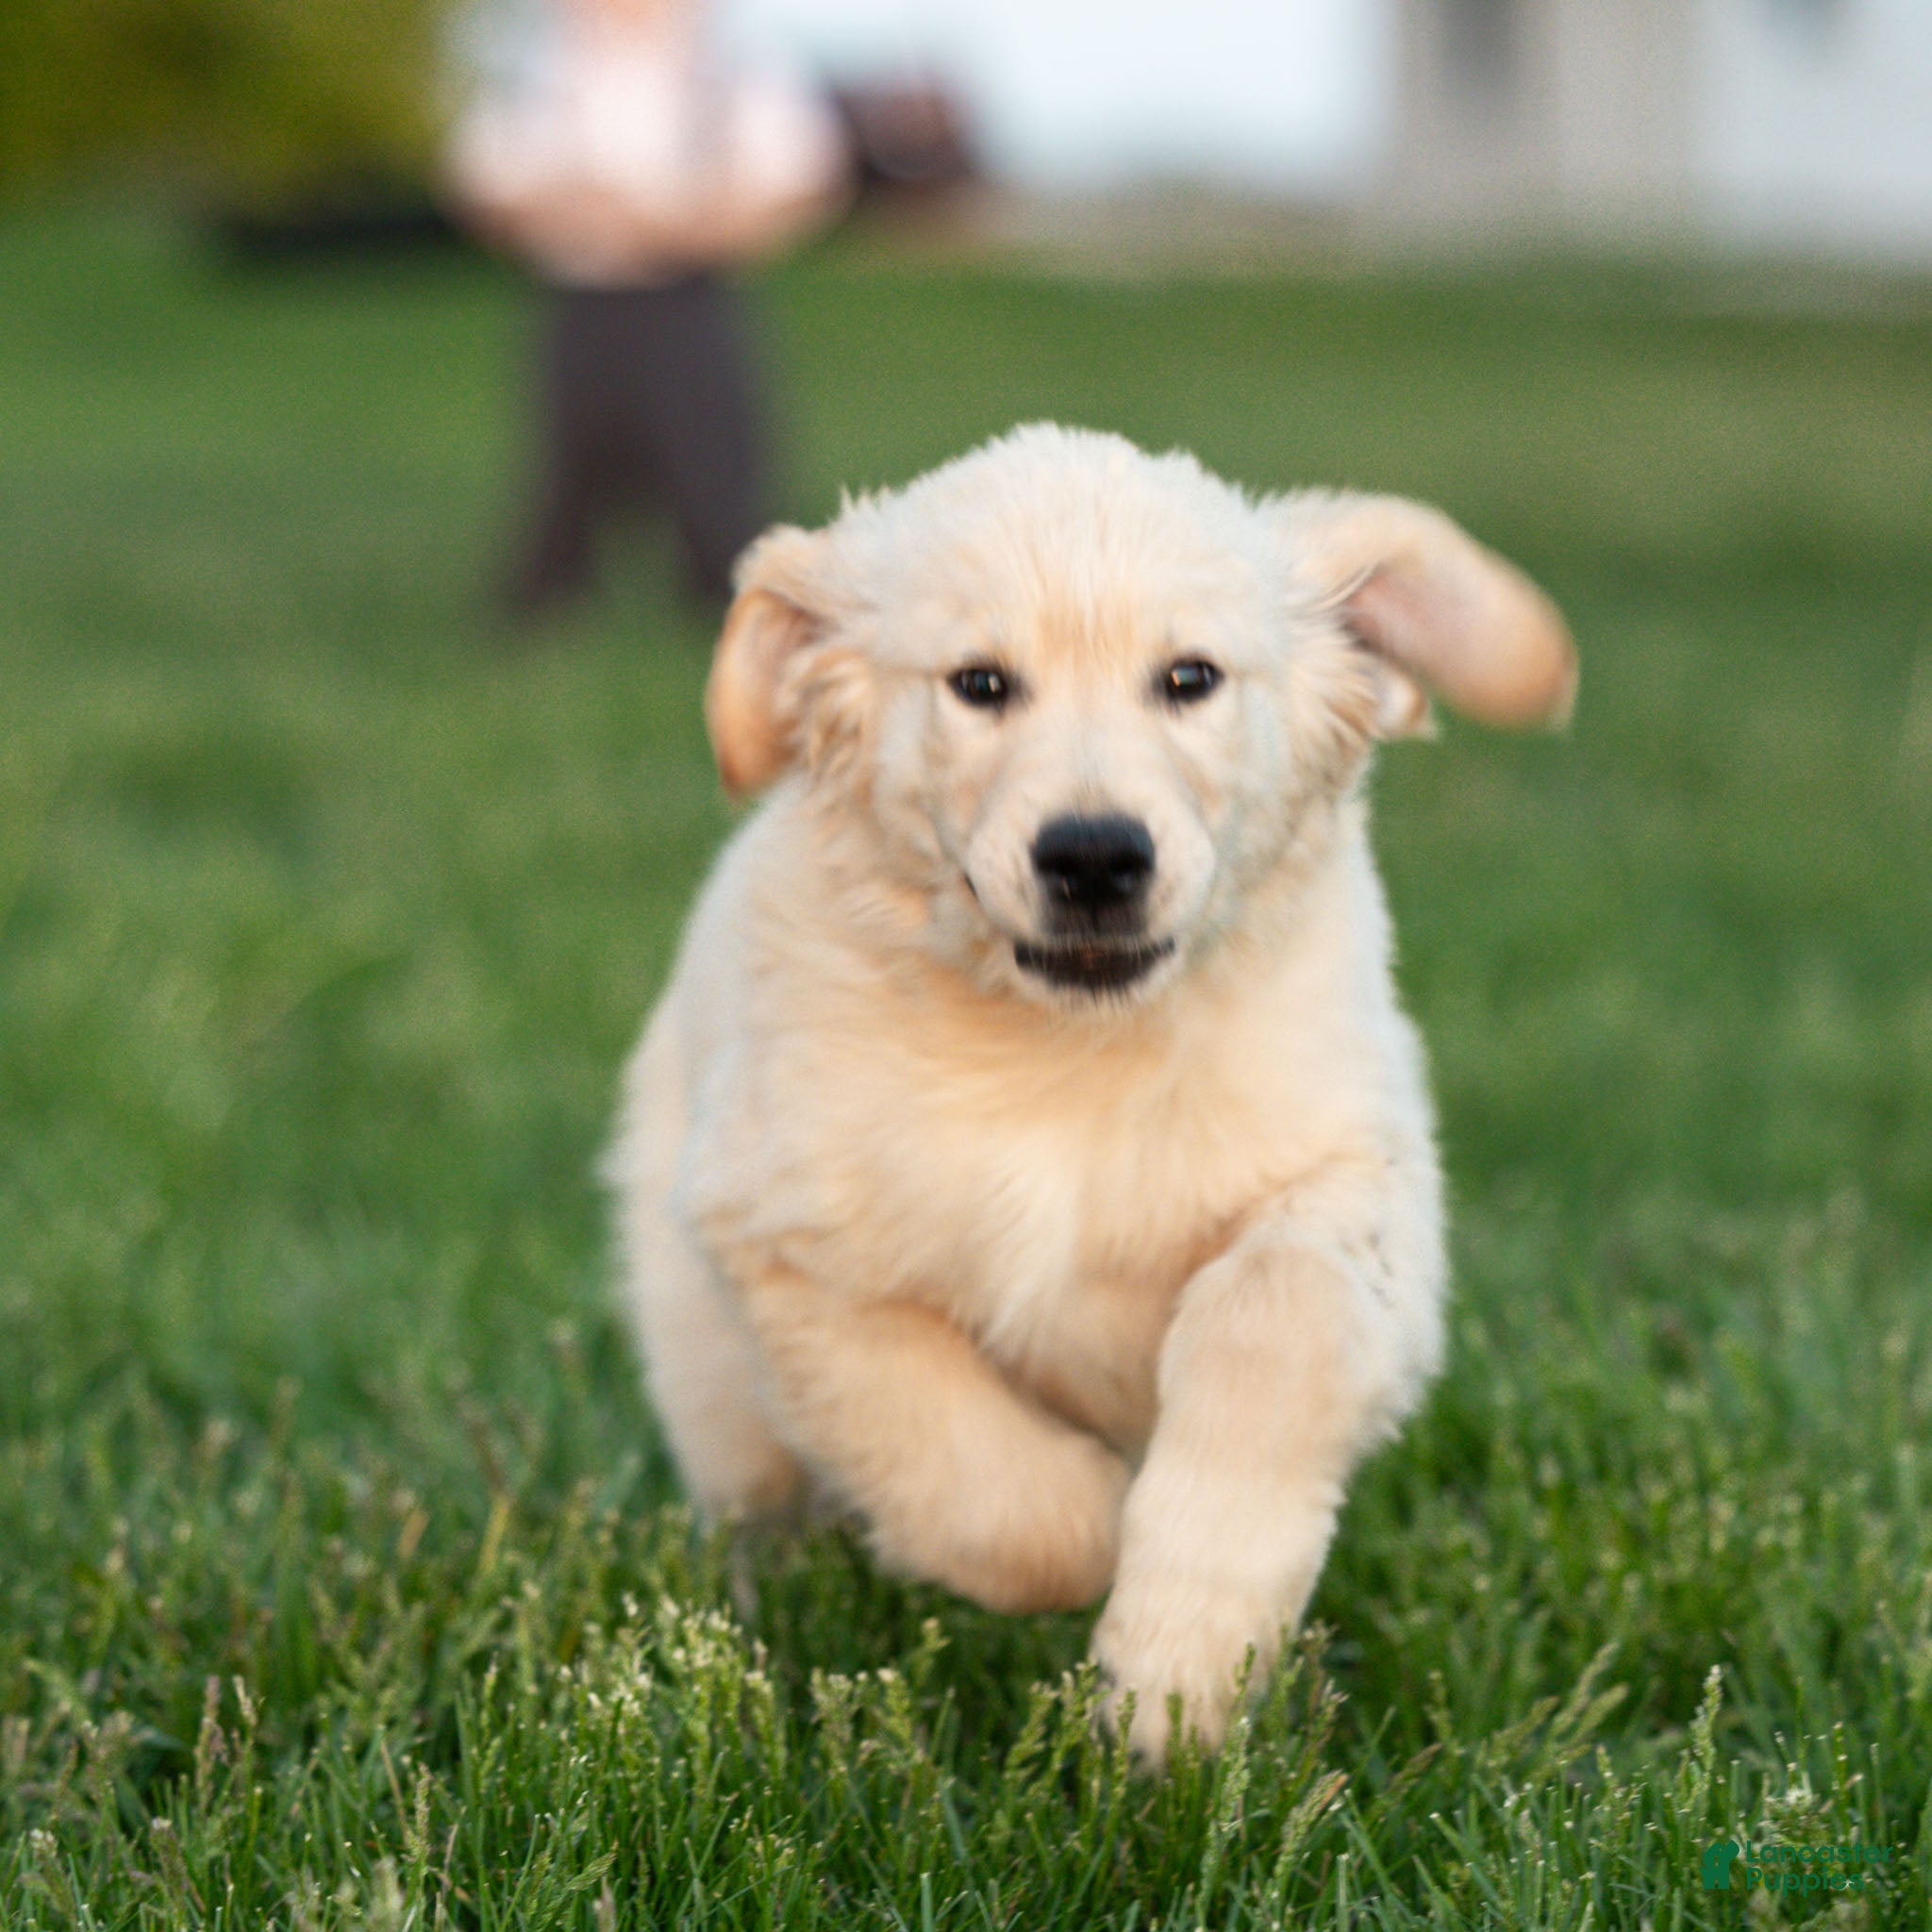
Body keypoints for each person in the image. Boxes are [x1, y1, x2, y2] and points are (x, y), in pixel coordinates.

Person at [447, 0, 851, 617]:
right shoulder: (538, 66)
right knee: (567, 469)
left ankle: (729, 599)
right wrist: (570, 209)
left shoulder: (736, 64)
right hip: (580, 302)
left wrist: (697, 223)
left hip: (690, 302)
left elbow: (801, 179)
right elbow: (485, 182)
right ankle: (550, 599)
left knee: (715, 476)